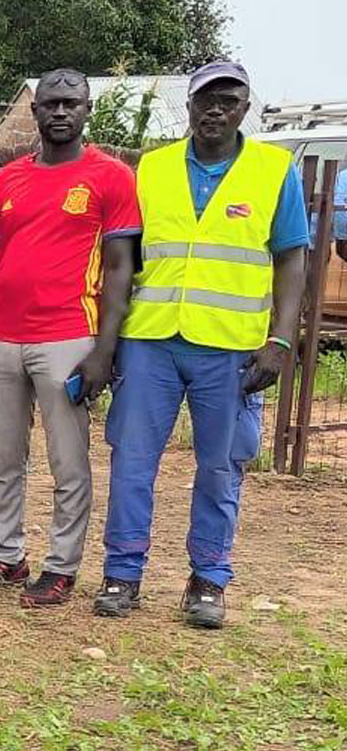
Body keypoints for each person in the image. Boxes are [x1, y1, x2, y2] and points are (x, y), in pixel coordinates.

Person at [97, 61, 309, 629]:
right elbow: (123, 257)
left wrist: (281, 339)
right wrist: (109, 340)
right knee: (131, 460)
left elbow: (292, 258)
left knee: (221, 466)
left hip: (232, 348)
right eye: (205, 99)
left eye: (228, 100)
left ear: (245, 108)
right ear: (189, 106)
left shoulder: (274, 170)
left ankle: (209, 580)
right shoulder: (152, 168)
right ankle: (122, 573)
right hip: (151, 340)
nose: (216, 109)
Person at [0, 69, 138, 607]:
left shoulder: (111, 177)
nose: (61, 112)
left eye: (71, 103)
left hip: (68, 337)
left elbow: (120, 268)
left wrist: (105, 349)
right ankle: (7, 555)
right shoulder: (7, 180)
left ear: (87, 110)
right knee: (3, 457)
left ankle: (61, 566)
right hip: (0, 338)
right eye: (51, 104)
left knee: (68, 462)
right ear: (35, 112)